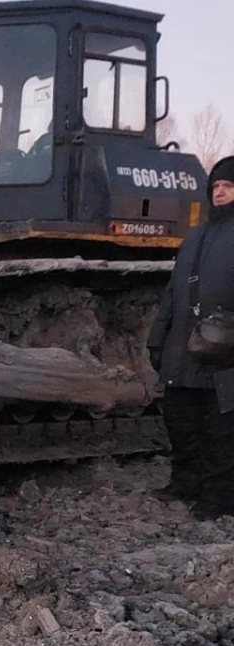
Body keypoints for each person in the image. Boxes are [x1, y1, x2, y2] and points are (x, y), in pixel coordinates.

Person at [146, 156, 234, 520]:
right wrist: (157, 337)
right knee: (181, 421)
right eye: (215, 186)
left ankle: (221, 497)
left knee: (221, 429)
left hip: (226, 351)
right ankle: (186, 483)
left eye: (228, 186)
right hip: (185, 346)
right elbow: (173, 289)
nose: (220, 192)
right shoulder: (196, 234)